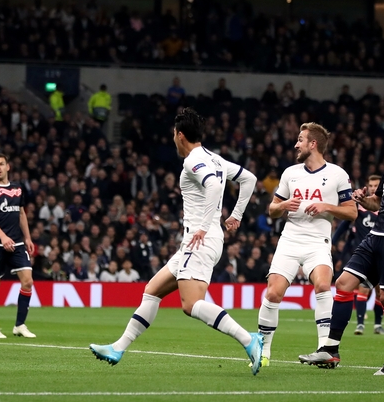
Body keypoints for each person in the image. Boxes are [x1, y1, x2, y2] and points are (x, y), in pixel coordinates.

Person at [89, 108, 263, 375]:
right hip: (198, 241)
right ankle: (118, 347)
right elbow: (248, 178)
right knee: (152, 289)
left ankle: (249, 340)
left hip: (200, 240)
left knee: (191, 305)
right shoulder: (215, 159)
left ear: (180, 135)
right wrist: (235, 215)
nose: (173, 139)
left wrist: (204, 227)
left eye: (173, 135)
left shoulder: (193, 160)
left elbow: (215, 188)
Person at [299, 114, 384, 375]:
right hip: (376, 236)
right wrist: (362, 199)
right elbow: (379, 204)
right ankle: (331, 350)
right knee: (344, 284)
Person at [257, 123, 357, 367]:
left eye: (300, 140)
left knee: (323, 285)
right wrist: (282, 206)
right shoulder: (290, 173)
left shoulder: (338, 174)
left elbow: (352, 212)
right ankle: (262, 351)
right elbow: (272, 210)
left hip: (318, 242)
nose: (296, 144)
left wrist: (326, 207)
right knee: (273, 292)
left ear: (313, 144)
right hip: (290, 240)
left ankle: (326, 349)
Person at [0, 153, 36, 339]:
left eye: (1, 164)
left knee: (28, 281)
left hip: (18, 242)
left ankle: (20, 325)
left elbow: (21, 214)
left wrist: (27, 237)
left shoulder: (17, 189)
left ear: (8, 167)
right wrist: (3, 237)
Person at [331, 175, 384, 336]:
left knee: (380, 292)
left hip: (382, 253)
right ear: (367, 187)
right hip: (364, 254)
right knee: (362, 290)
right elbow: (344, 226)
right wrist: (332, 241)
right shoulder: (360, 208)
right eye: (371, 185)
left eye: (377, 185)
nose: (374, 187)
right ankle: (360, 324)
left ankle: (377, 325)